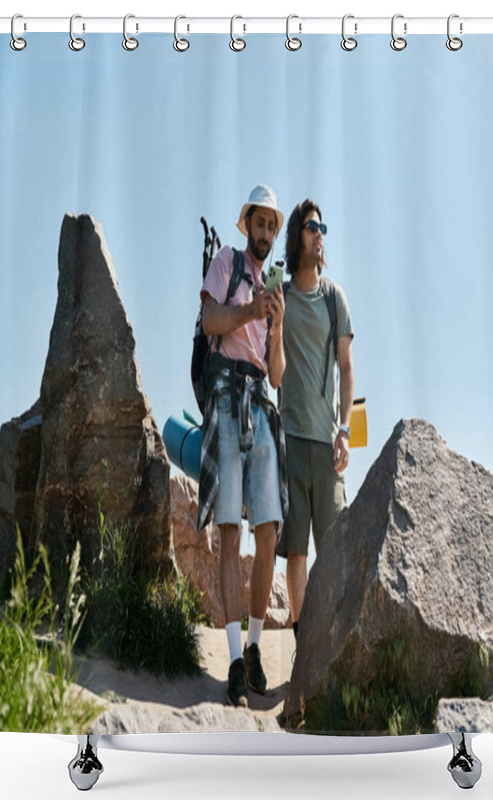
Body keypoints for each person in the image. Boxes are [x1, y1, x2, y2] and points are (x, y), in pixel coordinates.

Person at [197, 184, 287, 708]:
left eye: (273, 226)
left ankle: (253, 646)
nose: (266, 233)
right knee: (231, 531)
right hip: (228, 400)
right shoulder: (226, 263)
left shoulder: (275, 291)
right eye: (261, 223)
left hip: (260, 403)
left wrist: (274, 324)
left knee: (270, 530)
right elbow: (211, 322)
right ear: (246, 224)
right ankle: (233, 659)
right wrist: (253, 311)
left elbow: (276, 374)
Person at [276, 199, 354, 640]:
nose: (319, 234)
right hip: (289, 440)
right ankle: (303, 646)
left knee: (334, 548)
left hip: (327, 443)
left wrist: (345, 430)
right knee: (296, 554)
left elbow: (347, 366)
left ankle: (335, 642)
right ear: (297, 237)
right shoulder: (282, 296)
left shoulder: (334, 299)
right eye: (311, 227)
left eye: (323, 227)